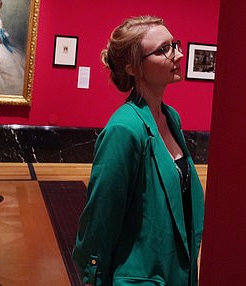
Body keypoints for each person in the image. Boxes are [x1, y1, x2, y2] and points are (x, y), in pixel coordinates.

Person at [73, 16, 205, 286]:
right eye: (163, 50)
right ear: (133, 68)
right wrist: (92, 276)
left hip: (177, 271)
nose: (178, 54)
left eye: (174, 44)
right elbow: (100, 219)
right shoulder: (125, 129)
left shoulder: (171, 118)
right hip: (141, 277)